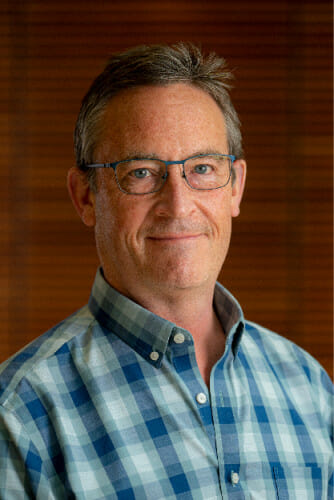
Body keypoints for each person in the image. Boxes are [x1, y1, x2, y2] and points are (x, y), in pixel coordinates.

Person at [0, 43, 332, 500]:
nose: (178, 205)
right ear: (85, 197)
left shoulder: (309, 386)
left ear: (235, 187)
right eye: (140, 172)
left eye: (201, 168)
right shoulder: (21, 414)